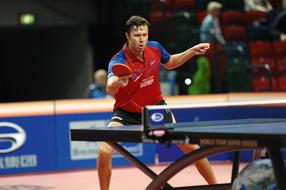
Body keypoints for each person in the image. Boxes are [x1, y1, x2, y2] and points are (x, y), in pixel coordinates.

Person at [97, 15, 217, 190]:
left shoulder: (155, 48)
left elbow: (171, 62)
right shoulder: (119, 60)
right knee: (104, 151)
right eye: (137, 36)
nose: (142, 39)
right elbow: (109, 86)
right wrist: (117, 82)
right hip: (126, 114)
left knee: (192, 147)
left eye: (144, 34)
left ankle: (216, 187)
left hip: (155, 111)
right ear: (128, 36)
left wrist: (191, 51)